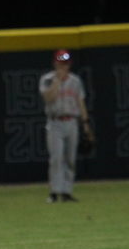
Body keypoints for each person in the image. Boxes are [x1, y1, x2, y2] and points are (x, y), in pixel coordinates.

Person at [38, 48, 90, 203]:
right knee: (56, 158)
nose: (63, 67)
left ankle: (66, 192)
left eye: (66, 64)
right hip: (55, 122)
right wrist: (57, 81)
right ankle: (54, 192)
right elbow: (49, 98)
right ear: (55, 63)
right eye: (61, 63)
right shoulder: (47, 79)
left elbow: (80, 102)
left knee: (70, 158)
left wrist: (85, 124)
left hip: (71, 122)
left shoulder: (75, 81)